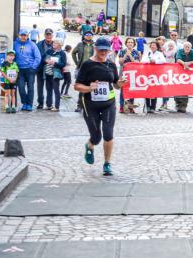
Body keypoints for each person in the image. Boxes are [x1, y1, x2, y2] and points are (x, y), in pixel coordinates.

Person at [74, 37, 126, 176]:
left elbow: (115, 84)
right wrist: (89, 88)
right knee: (96, 137)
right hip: (90, 104)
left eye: (106, 50)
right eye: (101, 49)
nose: (103, 52)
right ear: (95, 48)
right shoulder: (87, 64)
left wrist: (120, 84)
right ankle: (89, 145)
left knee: (108, 134)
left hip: (108, 103)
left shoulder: (111, 64)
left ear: (109, 50)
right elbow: (77, 86)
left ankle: (107, 163)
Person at [13, 28, 41, 112]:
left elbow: (38, 57)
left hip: (30, 69)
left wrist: (33, 67)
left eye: (25, 35)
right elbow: (11, 55)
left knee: (30, 87)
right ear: (19, 35)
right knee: (21, 88)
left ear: (27, 36)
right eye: (22, 35)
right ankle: (24, 102)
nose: (23, 37)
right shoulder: (14, 44)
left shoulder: (32, 44)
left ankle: (29, 104)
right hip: (19, 69)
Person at [174, 41, 193, 113]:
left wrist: (189, 63)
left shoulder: (192, 51)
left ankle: (183, 106)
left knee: (185, 89)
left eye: (188, 47)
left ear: (190, 47)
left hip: (188, 73)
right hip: (178, 72)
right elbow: (178, 59)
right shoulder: (180, 51)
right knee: (177, 88)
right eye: (186, 47)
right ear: (183, 47)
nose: (187, 48)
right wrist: (184, 64)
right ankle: (177, 104)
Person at [141, 39, 166, 113]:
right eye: (151, 45)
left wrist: (155, 61)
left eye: (154, 45)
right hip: (147, 73)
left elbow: (163, 61)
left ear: (157, 47)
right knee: (147, 90)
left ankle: (153, 107)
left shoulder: (160, 53)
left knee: (154, 90)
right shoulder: (147, 53)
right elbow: (142, 61)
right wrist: (149, 61)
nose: (153, 46)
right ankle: (148, 106)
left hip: (156, 74)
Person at [118, 37, 141, 113]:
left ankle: (130, 107)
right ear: (126, 43)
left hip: (132, 73)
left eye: (131, 42)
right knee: (122, 90)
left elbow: (136, 62)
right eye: (128, 42)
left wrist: (130, 55)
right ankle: (121, 106)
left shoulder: (136, 52)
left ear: (134, 44)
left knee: (132, 89)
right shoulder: (122, 51)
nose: (130, 43)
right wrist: (125, 55)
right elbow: (120, 62)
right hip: (123, 73)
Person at [35, 28, 55, 109]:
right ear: (44, 35)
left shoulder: (56, 44)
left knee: (49, 87)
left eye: (50, 34)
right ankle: (40, 103)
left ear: (52, 35)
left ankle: (49, 104)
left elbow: (60, 55)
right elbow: (36, 56)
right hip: (40, 68)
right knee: (40, 87)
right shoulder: (39, 44)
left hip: (51, 69)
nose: (48, 36)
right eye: (47, 34)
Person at [43, 40, 66, 111]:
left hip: (56, 75)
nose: (54, 44)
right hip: (48, 73)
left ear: (60, 45)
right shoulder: (49, 51)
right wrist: (46, 60)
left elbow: (63, 64)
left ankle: (56, 107)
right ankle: (49, 105)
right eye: (54, 43)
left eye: (56, 43)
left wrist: (54, 63)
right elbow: (44, 58)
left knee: (56, 90)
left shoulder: (62, 53)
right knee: (48, 90)